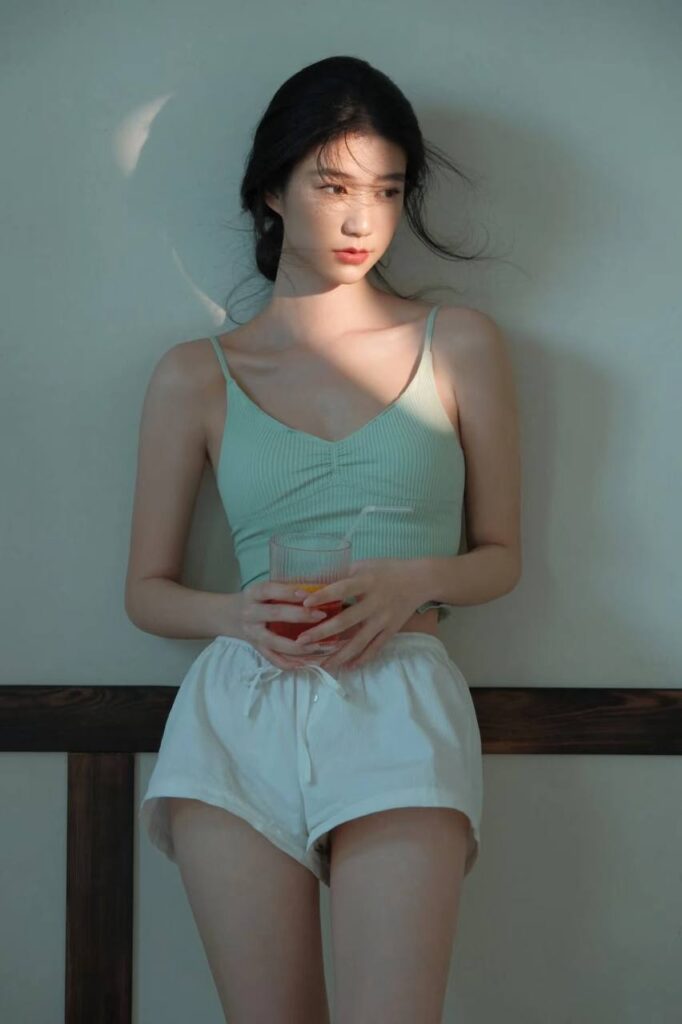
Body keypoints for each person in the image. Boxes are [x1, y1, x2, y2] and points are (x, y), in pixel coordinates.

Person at [126, 55, 521, 1024]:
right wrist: (235, 613)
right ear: (271, 190)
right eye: (333, 186)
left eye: (386, 190)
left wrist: (411, 582)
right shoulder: (194, 374)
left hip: (400, 696)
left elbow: (501, 556)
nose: (361, 220)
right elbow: (146, 590)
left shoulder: (460, 343)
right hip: (240, 706)